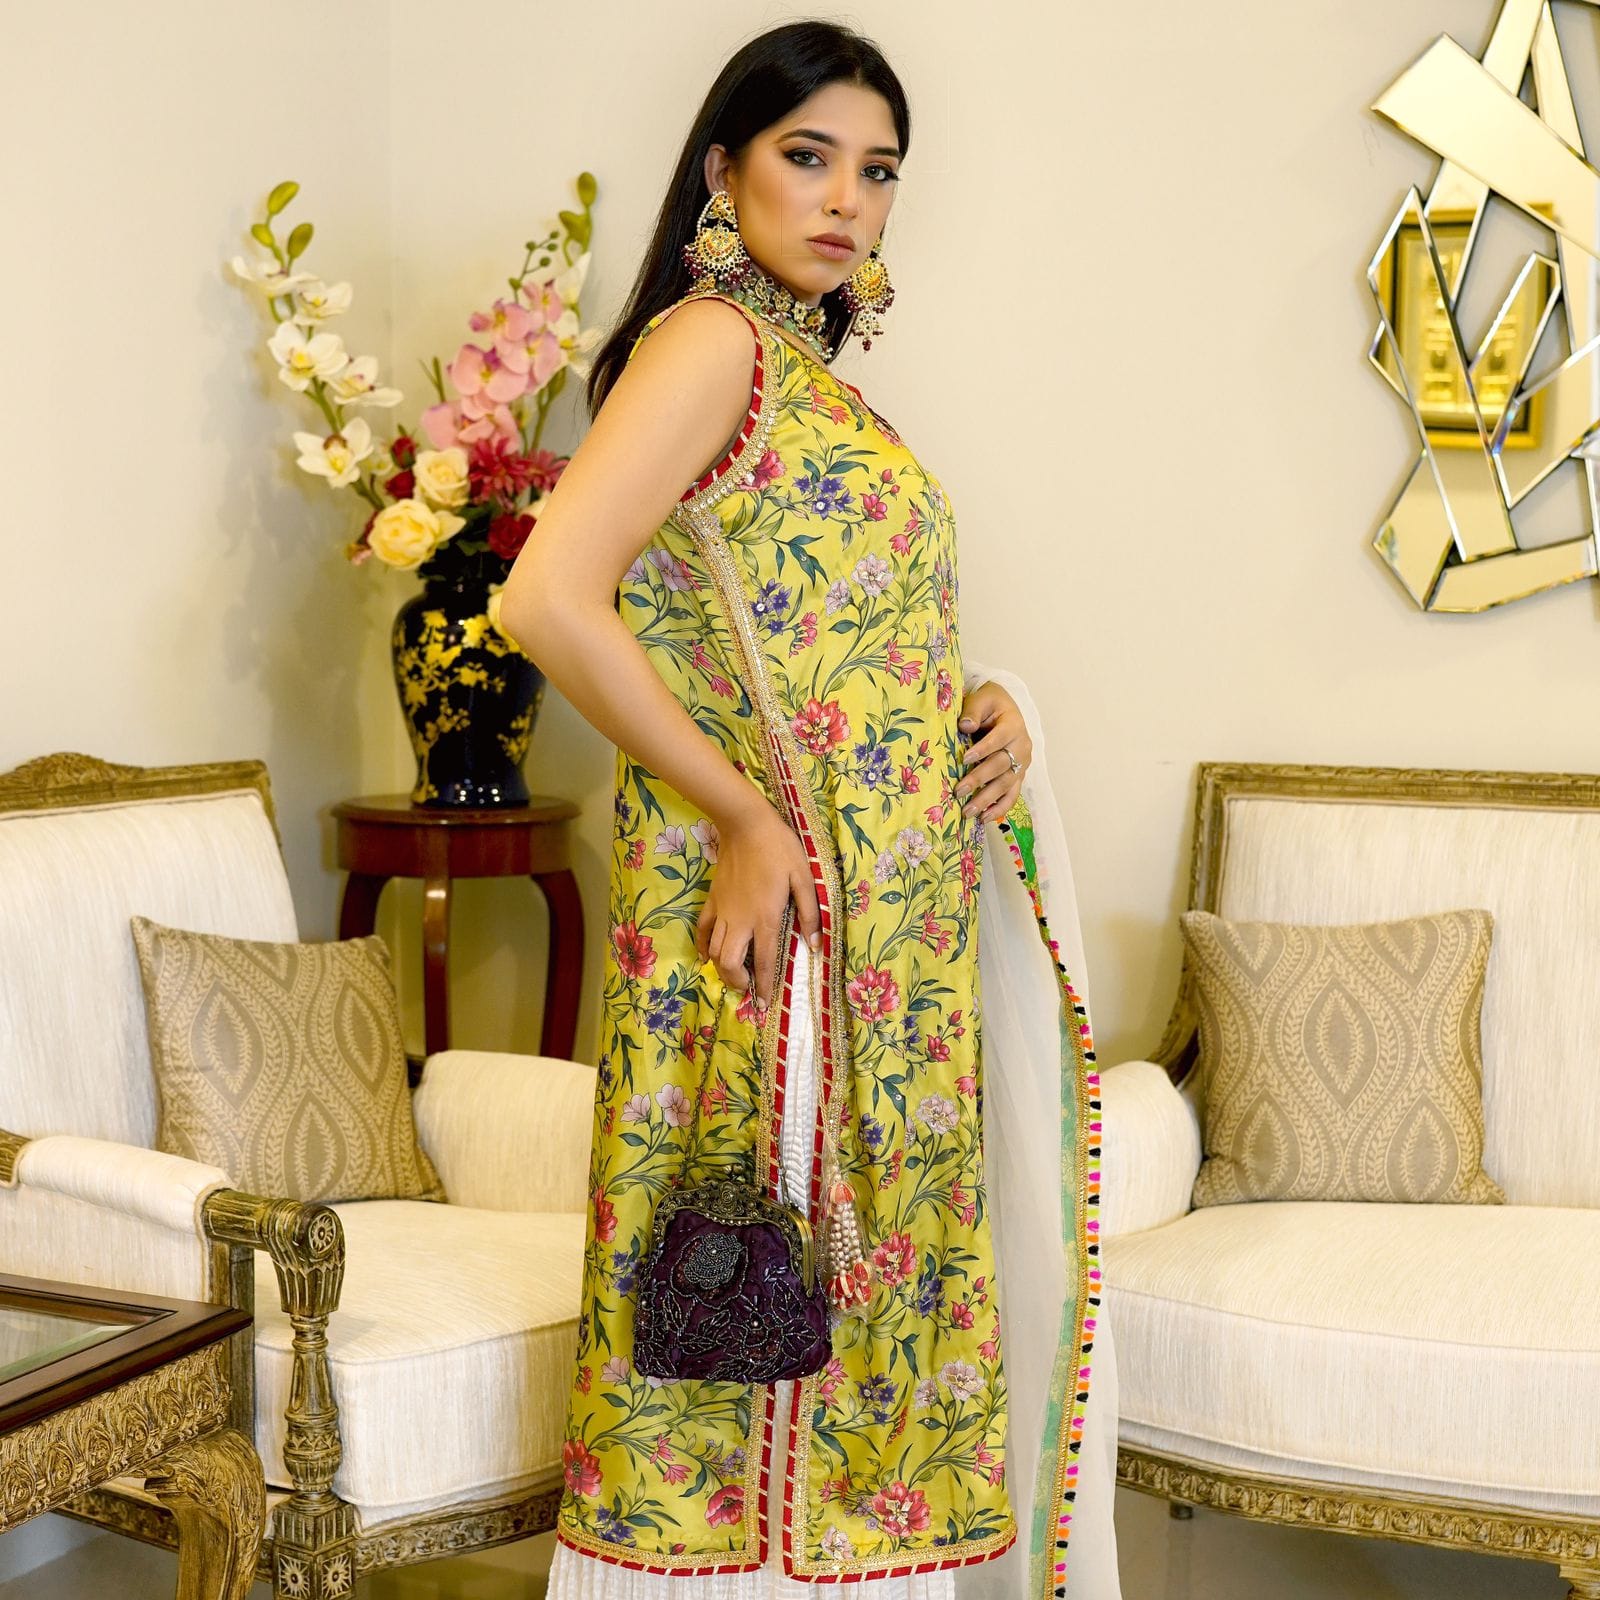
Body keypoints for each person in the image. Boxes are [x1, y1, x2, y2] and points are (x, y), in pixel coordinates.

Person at [498, 20, 1119, 1599]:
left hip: (885, 952)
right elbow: (546, 599)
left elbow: (818, 646)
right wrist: (741, 818)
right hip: (785, 951)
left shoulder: (811, 386)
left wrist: (988, 705)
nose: (850, 199)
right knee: (758, 1333)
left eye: (880, 170)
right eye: (810, 156)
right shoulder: (712, 343)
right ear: (724, 169)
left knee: (848, 1350)